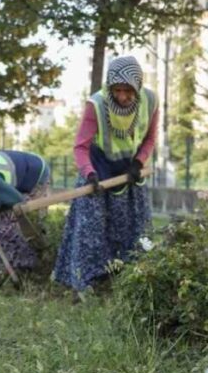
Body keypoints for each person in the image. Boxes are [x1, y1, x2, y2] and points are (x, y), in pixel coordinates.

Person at [53, 56, 157, 291]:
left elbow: (150, 138)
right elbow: (80, 146)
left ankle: (130, 281)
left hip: (128, 173)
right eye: (117, 90)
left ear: (137, 86)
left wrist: (138, 163)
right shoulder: (97, 105)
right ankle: (86, 283)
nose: (122, 96)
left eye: (128, 91)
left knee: (134, 230)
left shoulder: (150, 101)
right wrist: (90, 174)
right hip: (97, 171)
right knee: (91, 231)